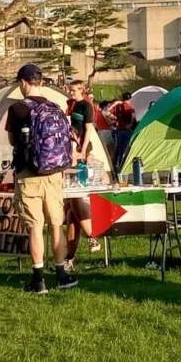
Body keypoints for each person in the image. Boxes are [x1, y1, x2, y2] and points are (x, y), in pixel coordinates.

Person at [5, 64, 77, 294]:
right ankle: (62, 274)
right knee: (56, 224)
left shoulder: (17, 109)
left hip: (29, 175)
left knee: (35, 226)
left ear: (23, 83)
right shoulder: (55, 107)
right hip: (54, 173)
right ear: (41, 82)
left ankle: (38, 279)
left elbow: (12, 141)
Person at [64, 81, 101, 264]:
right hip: (73, 146)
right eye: (70, 90)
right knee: (72, 212)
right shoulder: (72, 104)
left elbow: (88, 129)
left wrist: (83, 150)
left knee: (75, 197)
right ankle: (70, 257)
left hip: (80, 148)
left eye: (73, 90)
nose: (70, 92)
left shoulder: (86, 106)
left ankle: (92, 237)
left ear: (82, 91)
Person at [111, 92, 136, 169]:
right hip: (127, 130)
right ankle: (122, 166)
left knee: (118, 148)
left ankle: (114, 165)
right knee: (125, 149)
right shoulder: (130, 107)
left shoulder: (118, 107)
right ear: (130, 98)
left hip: (119, 130)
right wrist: (131, 125)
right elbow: (133, 118)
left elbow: (112, 114)